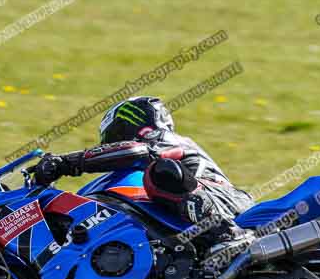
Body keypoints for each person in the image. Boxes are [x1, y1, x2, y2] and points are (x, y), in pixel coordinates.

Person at [34, 96, 254, 248]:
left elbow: (137, 151)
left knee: (161, 173)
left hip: (226, 203)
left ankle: (226, 233)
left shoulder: (165, 141)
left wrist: (66, 163)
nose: (108, 147)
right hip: (201, 212)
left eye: (113, 138)